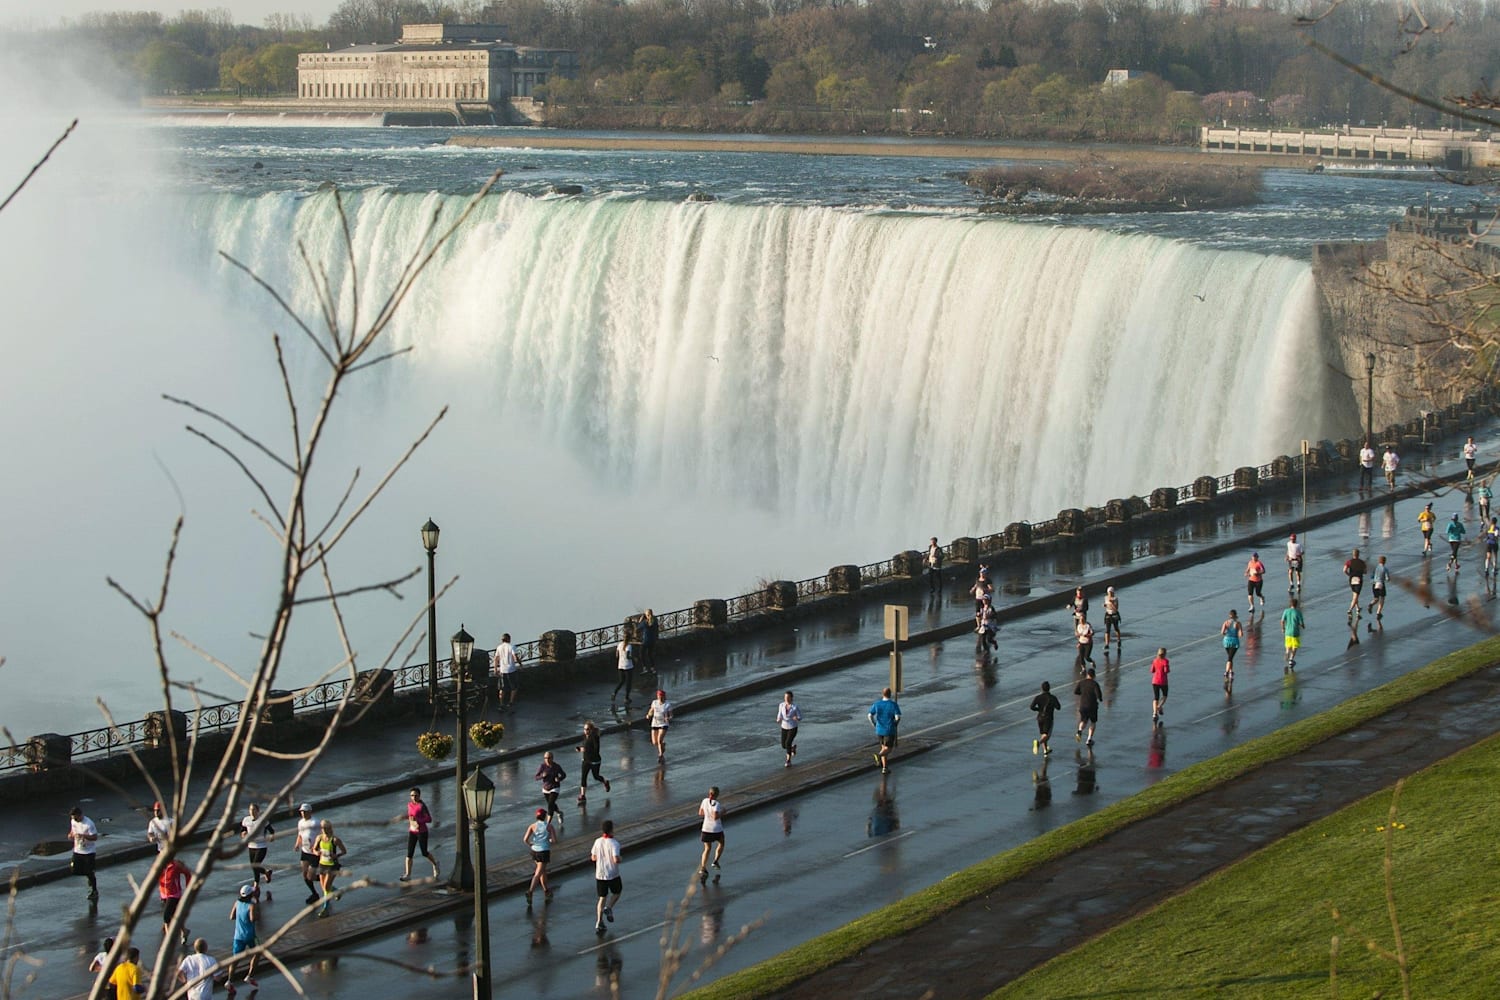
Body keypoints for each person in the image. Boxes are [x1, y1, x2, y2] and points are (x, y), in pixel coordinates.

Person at [590, 819, 623, 935]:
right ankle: (609, 907)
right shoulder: (614, 843)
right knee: (617, 892)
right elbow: (615, 859)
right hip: (612, 874)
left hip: (600, 874)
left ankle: (599, 922)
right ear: (611, 830)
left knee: (601, 898)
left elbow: (593, 858)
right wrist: (620, 859)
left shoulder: (597, 841)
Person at [401, 787, 440, 883]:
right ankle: (408, 874)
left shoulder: (422, 806)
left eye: (416, 795)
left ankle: (435, 864)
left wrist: (419, 820)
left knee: (424, 852)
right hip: (412, 831)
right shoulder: (409, 805)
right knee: (409, 854)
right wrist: (407, 818)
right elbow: (411, 816)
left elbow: (429, 819)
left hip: (422, 832)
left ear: (419, 796)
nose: (414, 797)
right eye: (412, 795)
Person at [523, 807, 557, 906]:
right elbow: (554, 840)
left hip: (534, 851)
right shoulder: (549, 826)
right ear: (545, 816)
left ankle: (546, 891)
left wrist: (531, 844)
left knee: (542, 871)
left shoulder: (532, 826)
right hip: (544, 851)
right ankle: (530, 891)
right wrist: (549, 840)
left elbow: (525, 839)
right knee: (538, 873)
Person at [314, 819, 347, 917]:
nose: (323, 829)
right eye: (322, 828)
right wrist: (317, 853)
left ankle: (325, 909)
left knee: (326, 887)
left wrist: (336, 855)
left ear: (329, 828)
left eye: (325, 828)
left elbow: (344, 851)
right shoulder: (319, 838)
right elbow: (314, 849)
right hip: (322, 864)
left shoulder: (335, 840)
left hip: (332, 866)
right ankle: (337, 891)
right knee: (324, 887)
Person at [240, 803, 274, 893]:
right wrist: (243, 834)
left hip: (261, 846)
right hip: (251, 846)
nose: (252, 812)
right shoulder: (246, 820)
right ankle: (266, 873)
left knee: (255, 864)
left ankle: (256, 884)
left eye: (254, 810)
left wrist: (271, 836)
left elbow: (272, 831)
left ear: (258, 811)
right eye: (250, 810)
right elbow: (243, 830)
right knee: (253, 866)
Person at [229, 882, 258, 984]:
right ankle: (249, 976)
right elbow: (252, 919)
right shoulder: (251, 905)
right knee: (257, 954)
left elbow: (231, 917)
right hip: (250, 935)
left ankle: (229, 981)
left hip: (238, 936)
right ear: (250, 895)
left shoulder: (237, 903)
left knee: (235, 959)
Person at [575, 721, 612, 803]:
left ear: (591, 730)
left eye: (587, 729)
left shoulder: (595, 737)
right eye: (584, 729)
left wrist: (585, 750)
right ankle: (583, 796)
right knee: (583, 777)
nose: (585, 731)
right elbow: (585, 746)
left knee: (596, 776)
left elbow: (596, 750)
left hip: (595, 761)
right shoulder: (585, 737)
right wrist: (580, 748)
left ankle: (605, 782)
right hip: (586, 760)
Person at [69, 806, 100, 901]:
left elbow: (95, 837)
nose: (74, 819)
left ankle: (94, 891)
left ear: (80, 815)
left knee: (89, 872)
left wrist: (83, 836)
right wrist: (71, 835)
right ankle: (88, 876)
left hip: (89, 851)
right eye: (72, 818)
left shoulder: (89, 824)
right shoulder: (73, 821)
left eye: (75, 817)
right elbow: (72, 831)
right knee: (74, 869)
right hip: (78, 850)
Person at [158, 855, 192, 941]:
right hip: (164, 894)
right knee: (173, 914)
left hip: (174, 894)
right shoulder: (160, 865)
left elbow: (187, 873)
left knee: (166, 916)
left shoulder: (176, 865)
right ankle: (184, 931)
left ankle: (169, 939)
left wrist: (188, 887)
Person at [868, 687, 901, 773]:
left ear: (882, 694)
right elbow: (898, 717)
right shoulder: (893, 705)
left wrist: (874, 724)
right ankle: (878, 756)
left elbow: (869, 715)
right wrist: (895, 724)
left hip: (879, 729)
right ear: (890, 694)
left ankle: (884, 768)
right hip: (889, 729)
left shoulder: (877, 704)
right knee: (889, 749)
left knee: (883, 748)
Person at [293, 803, 321, 905]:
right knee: (305, 875)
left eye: (304, 811)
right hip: (305, 851)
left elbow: (322, 836)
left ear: (310, 812)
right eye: (301, 811)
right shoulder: (300, 822)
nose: (302, 813)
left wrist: (317, 846)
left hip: (314, 852)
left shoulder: (315, 823)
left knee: (311, 876)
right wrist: (297, 844)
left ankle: (326, 881)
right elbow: (300, 835)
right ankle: (314, 894)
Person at [697, 786, 726, 877]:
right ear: (717, 795)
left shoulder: (704, 801)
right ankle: (715, 861)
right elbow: (715, 817)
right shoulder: (716, 804)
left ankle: (703, 868)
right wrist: (723, 812)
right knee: (721, 843)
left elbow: (700, 813)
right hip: (716, 828)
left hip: (705, 828)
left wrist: (707, 813)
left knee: (707, 848)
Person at [1029, 681, 1061, 756]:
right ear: (1049, 688)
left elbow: (1031, 707)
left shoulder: (1038, 697)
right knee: (1047, 735)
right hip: (1048, 718)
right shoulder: (1052, 697)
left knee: (1043, 734)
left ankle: (1045, 750)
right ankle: (1038, 743)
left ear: (1042, 688)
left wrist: (1038, 710)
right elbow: (1058, 707)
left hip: (1039, 718)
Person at [535, 751, 567, 824]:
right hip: (546, 788)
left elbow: (564, 775)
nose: (547, 760)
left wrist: (559, 779)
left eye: (549, 758)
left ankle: (547, 824)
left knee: (550, 804)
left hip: (555, 787)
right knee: (551, 804)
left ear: (552, 758)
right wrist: (542, 776)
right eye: (545, 758)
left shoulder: (556, 766)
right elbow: (536, 777)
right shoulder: (542, 766)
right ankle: (559, 813)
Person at [491, 632, 521, 708]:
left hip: (502, 670)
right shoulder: (512, 647)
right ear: (509, 639)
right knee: (514, 687)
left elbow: (496, 659)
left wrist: (495, 669)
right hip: (511, 670)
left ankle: (501, 703)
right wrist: (520, 664)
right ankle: (510, 702)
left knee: (502, 688)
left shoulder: (499, 647)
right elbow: (515, 657)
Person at [1074, 668, 1102, 747]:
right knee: (1093, 722)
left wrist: (1082, 693)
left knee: (1083, 721)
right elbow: (1099, 695)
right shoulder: (1095, 684)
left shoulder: (1081, 682)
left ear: (1087, 675)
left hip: (1083, 705)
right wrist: (1100, 699)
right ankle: (1089, 739)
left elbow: (1076, 691)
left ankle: (1079, 731)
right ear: (1094, 675)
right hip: (1092, 706)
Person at [776, 691, 801, 767]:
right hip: (784, 727)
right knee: (784, 745)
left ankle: (788, 760)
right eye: (785, 697)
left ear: (791, 698)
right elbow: (779, 714)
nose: (786, 699)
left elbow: (800, 717)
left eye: (787, 697)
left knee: (787, 743)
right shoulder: (781, 705)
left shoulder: (795, 707)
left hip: (793, 727)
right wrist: (778, 719)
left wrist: (796, 718)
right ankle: (792, 748)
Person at [647, 688, 673, 762]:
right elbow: (651, 710)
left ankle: (661, 755)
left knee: (659, 740)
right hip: (655, 723)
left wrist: (668, 718)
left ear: (664, 697)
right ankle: (662, 746)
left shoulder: (667, 704)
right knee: (654, 742)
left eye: (661, 696)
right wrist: (648, 715)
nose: (660, 697)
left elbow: (671, 715)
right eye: (659, 696)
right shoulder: (654, 702)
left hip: (663, 723)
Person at [1282, 597, 1306, 671]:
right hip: (1295, 632)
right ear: (1296, 605)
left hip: (1287, 632)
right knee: (1295, 646)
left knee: (1288, 645)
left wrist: (1283, 628)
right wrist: (1303, 626)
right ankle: (1291, 659)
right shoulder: (1298, 612)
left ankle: (1287, 652)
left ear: (1290, 604)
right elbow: (1301, 623)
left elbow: (1282, 620)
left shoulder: (1286, 611)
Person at [1221, 609, 1243, 689]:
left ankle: (1231, 671)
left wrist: (1227, 633)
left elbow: (1222, 632)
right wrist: (1238, 634)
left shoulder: (1226, 622)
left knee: (1230, 657)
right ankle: (1227, 672)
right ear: (1236, 615)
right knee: (1230, 658)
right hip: (1234, 641)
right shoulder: (1238, 623)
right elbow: (1241, 634)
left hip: (1226, 641)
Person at [1344, 547, 1368, 617]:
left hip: (1351, 579)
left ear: (1353, 554)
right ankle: (1350, 609)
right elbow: (1365, 572)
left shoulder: (1349, 562)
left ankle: (1357, 608)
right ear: (1359, 554)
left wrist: (1349, 574)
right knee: (1355, 596)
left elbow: (1344, 570)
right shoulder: (1362, 562)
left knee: (1354, 594)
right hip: (1359, 579)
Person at [611, 636, 636, 703]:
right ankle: (626, 698)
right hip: (628, 666)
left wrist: (620, 659)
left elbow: (617, 655)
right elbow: (628, 656)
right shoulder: (629, 646)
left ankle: (614, 693)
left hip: (620, 666)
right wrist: (634, 658)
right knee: (628, 683)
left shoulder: (620, 644)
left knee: (621, 681)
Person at [1150, 647, 1170, 723]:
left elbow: (1152, 670)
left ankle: (1155, 713)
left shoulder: (1155, 660)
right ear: (1165, 654)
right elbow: (1166, 671)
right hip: (1163, 681)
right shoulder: (1165, 661)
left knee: (1156, 698)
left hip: (1155, 681)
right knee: (1165, 696)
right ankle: (1159, 706)